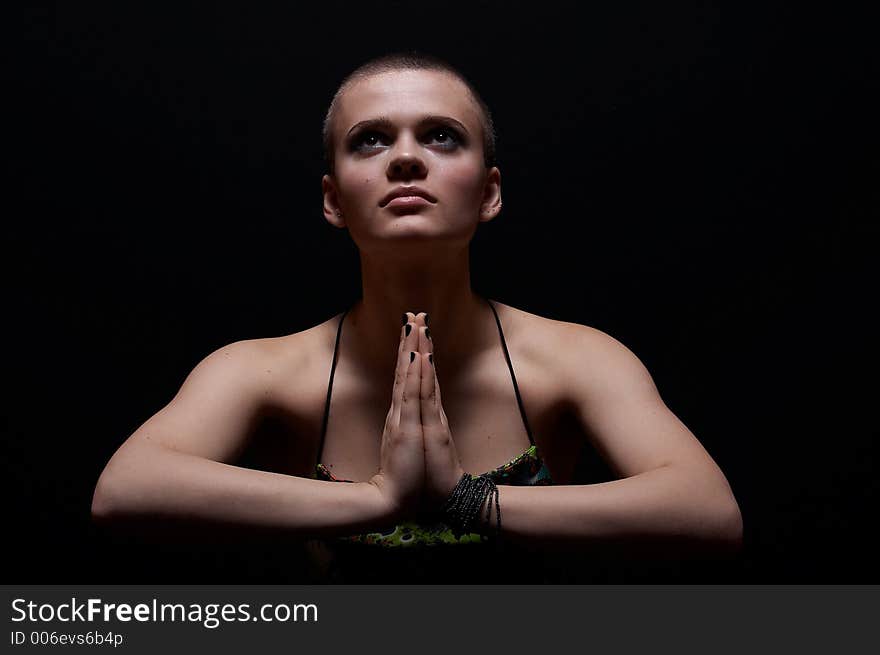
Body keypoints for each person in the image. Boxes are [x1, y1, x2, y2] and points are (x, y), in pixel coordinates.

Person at [91, 52, 743, 583]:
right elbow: (124, 491)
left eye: (440, 136)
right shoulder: (264, 370)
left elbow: (708, 511)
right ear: (333, 199)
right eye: (370, 139)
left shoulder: (576, 360)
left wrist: (468, 500)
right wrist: (379, 498)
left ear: (488, 192)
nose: (405, 158)